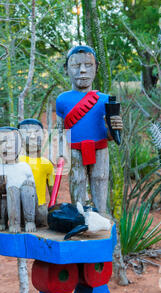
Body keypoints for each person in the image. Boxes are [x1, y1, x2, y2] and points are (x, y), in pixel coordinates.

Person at [56, 45, 123, 217]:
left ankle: (101, 214)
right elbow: (60, 129)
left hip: (100, 147)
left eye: (88, 65)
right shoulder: (62, 99)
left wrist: (115, 127)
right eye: (76, 66)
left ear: (97, 68)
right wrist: (60, 151)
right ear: (66, 69)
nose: (83, 71)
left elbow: (111, 135)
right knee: (77, 180)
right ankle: (79, 216)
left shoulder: (106, 100)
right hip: (74, 149)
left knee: (100, 179)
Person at [18, 119, 54, 227]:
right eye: (27, 133)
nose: (33, 137)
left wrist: (54, 211)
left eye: (37, 132)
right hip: (21, 211)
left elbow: (53, 192)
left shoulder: (47, 164)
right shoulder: (17, 162)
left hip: (41, 211)